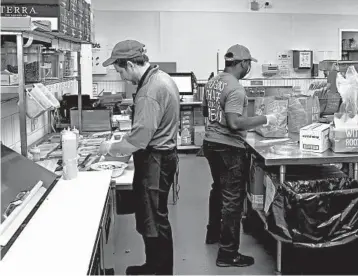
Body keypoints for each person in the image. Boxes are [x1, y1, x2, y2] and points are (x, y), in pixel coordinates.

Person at [99, 40, 180, 275]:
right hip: (162, 156)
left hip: (156, 160)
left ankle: (162, 271)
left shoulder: (149, 91)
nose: (121, 76)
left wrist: (109, 148)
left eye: (120, 70)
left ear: (131, 64)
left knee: (155, 218)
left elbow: (139, 139)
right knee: (150, 215)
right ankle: (153, 265)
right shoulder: (160, 77)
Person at [202, 44, 278, 267]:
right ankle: (228, 254)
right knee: (233, 199)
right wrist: (266, 119)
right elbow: (234, 123)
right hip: (228, 148)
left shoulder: (213, 82)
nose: (248, 68)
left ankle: (213, 233)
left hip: (210, 144)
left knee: (218, 189)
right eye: (248, 64)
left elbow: (208, 112)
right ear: (243, 63)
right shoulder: (236, 88)